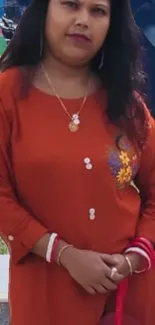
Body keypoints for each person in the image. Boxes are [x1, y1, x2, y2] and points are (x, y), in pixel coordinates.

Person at [0, 0, 155, 324]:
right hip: (46, 291)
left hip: (127, 292)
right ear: (44, 11)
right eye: (71, 5)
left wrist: (134, 259)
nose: (83, 20)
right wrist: (64, 254)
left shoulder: (128, 105)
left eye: (98, 11)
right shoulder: (9, 94)